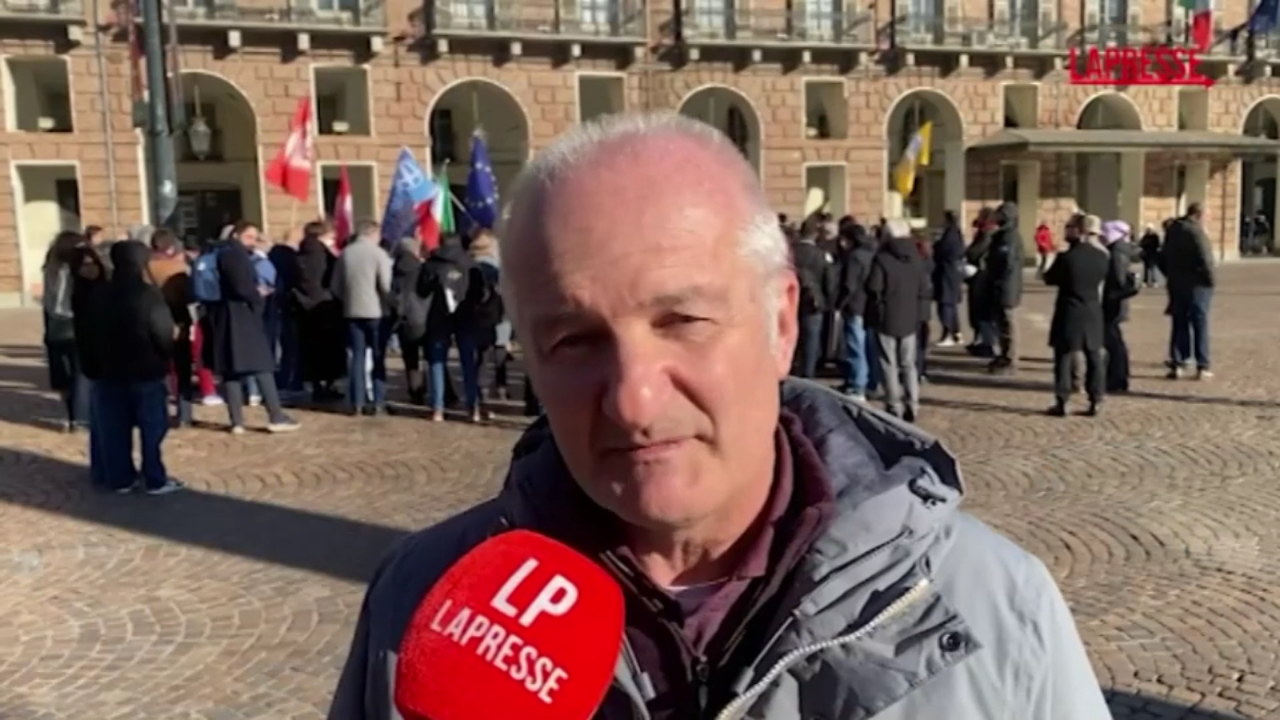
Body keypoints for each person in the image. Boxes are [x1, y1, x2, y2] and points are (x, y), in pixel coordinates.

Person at [328, 113, 1110, 720]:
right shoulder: (422, 602)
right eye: (574, 339)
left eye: (683, 322)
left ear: (780, 324)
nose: (634, 399)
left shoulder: (997, 605)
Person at [87, 240, 182, 494]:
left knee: (114, 428)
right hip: (145, 370)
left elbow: (86, 333)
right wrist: (166, 354)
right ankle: (154, 478)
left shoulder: (99, 293)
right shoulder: (147, 294)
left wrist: (91, 365)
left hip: (108, 371)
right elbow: (161, 331)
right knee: (152, 428)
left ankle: (120, 478)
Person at [203, 221, 300, 434]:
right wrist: (258, 295)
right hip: (240, 317)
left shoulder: (219, 251)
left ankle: (237, 421)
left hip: (223, 317)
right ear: (237, 235)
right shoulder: (234, 255)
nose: (253, 242)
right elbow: (241, 287)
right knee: (262, 366)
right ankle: (276, 416)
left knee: (231, 371)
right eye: (249, 237)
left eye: (255, 238)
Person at [865, 219, 931, 422]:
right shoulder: (917, 258)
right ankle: (913, 404)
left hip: (887, 316)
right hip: (910, 316)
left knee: (888, 363)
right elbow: (924, 288)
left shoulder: (882, 259)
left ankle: (894, 406)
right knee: (908, 364)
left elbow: (873, 287)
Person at [1044, 215, 1110, 418]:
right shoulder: (1102, 256)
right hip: (1092, 309)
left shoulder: (1067, 258)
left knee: (1064, 356)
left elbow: (1050, 278)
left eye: (1069, 228)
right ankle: (1096, 399)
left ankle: (1062, 400)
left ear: (1078, 231)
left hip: (1069, 309)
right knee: (1094, 357)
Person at [333, 220, 394, 416]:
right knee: (378, 357)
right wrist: (391, 304)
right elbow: (386, 286)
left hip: (351, 311)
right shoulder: (379, 254)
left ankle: (357, 403)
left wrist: (348, 300)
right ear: (373, 233)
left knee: (357, 357)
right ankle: (378, 402)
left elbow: (335, 286)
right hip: (376, 312)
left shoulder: (345, 254)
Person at [42, 230, 92, 432]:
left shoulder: (50, 268)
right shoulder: (72, 270)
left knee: (65, 374)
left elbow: (49, 303)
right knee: (81, 373)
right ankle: (81, 418)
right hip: (74, 322)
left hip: (54, 325)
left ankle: (72, 416)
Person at [146, 227, 196, 426]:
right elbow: (188, 297)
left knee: (157, 370)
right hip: (177, 320)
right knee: (182, 368)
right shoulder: (177, 268)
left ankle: (157, 411)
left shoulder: (144, 267)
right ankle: (185, 413)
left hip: (151, 321)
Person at [1160, 202, 1215, 380]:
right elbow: (1205, 258)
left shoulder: (1173, 231)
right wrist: (1210, 280)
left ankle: (1178, 362)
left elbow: (1162, 257)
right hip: (1197, 284)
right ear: (1200, 215)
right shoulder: (1196, 232)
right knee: (1200, 323)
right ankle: (1202, 365)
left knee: (1179, 323)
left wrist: (1170, 275)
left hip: (1176, 284)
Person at [293, 221, 347, 402]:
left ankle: (316, 385)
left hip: (303, 307)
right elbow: (333, 277)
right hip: (325, 306)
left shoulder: (299, 253)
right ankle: (329, 384)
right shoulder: (323, 254)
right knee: (328, 349)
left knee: (310, 350)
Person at [789, 215, 835, 379]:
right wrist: (828, 302)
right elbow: (829, 281)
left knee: (791, 339)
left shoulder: (790, 252)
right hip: (815, 303)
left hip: (791, 301)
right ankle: (808, 375)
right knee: (811, 342)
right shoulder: (821, 255)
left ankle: (790, 372)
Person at [834, 222, 875, 401]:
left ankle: (857, 385)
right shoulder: (871, 253)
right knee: (867, 346)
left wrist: (839, 304)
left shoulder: (854, 257)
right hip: (869, 305)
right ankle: (865, 381)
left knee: (855, 346)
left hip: (854, 306)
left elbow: (849, 285)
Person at [984, 201, 1024, 375]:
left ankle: (1010, 359)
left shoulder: (1010, 237)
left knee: (1008, 324)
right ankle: (1004, 354)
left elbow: (1005, 263)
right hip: (1001, 285)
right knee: (1001, 324)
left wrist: (996, 277)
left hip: (1006, 287)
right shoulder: (1002, 235)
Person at [1102, 220, 1138, 394]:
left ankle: (1117, 378)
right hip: (1116, 302)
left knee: (1113, 342)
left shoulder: (1116, 252)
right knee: (1114, 341)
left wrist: (1110, 296)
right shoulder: (1120, 249)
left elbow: (1118, 281)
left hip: (1113, 303)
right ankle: (1116, 377)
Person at [932, 210, 964, 347]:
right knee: (951, 305)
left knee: (945, 305)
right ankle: (956, 332)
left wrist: (936, 246)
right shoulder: (956, 233)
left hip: (947, 273)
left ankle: (948, 333)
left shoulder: (950, 235)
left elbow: (942, 251)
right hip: (951, 273)